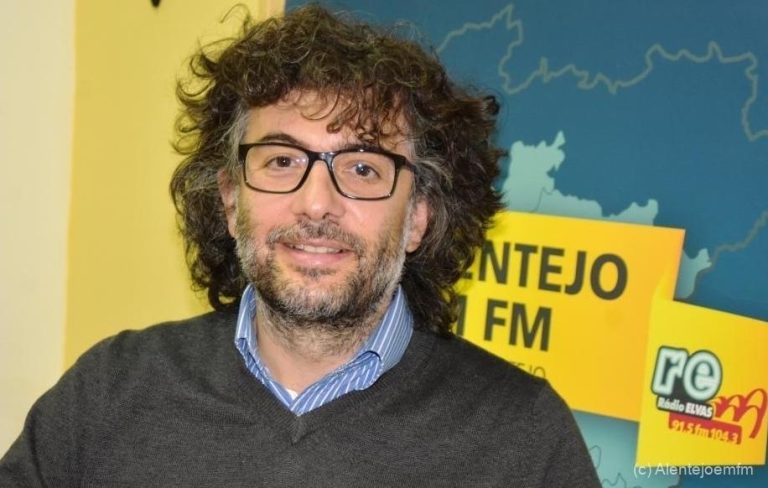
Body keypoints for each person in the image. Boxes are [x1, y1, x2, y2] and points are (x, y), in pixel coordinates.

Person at [0, 4, 599, 486]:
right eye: (282, 161)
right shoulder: (107, 393)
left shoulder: (524, 439)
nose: (316, 204)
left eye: (362, 168)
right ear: (230, 200)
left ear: (419, 217)